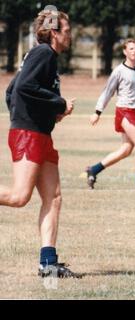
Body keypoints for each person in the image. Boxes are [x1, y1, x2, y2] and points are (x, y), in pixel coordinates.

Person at [1, 8, 80, 278]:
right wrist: (58, 103)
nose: (70, 36)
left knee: (53, 197)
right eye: (67, 31)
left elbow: (12, 91)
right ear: (55, 32)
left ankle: (48, 264)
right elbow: (22, 89)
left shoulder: (46, 56)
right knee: (19, 197)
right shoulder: (43, 53)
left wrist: (50, 113)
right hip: (30, 135)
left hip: (40, 134)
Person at [85, 39, 135, 191]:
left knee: (126, 149)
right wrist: (97, 112)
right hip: (124, 111)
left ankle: (94, 170)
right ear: (125, 52)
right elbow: (108, 92)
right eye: (131, 48)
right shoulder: (119, 71)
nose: (134, 51)